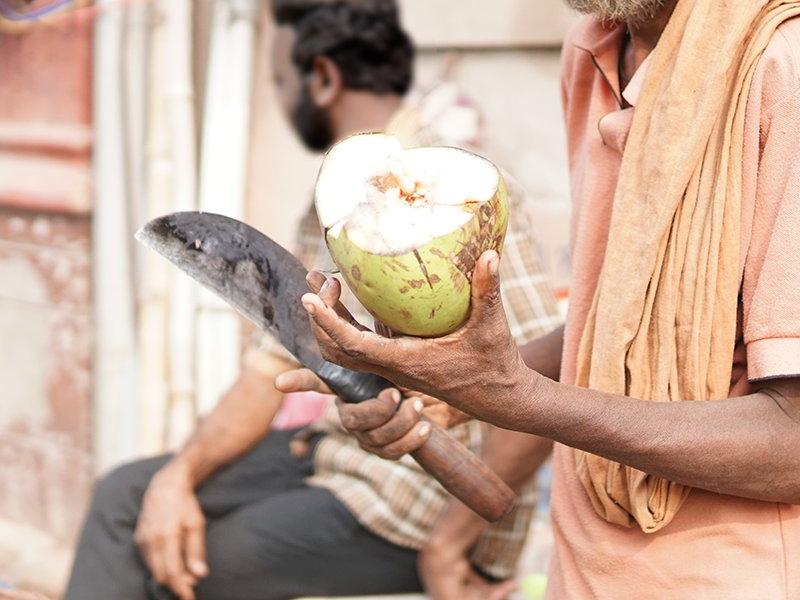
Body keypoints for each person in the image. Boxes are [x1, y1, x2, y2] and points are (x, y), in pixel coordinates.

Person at [289, 0, 800, 597]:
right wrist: (437, 385)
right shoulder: (592, 48)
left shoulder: (783, 66)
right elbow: (612, 326)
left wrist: (519, 397)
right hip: (581, 566)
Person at [63, 2, 562, 599]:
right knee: (125, 494)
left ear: (321, 77)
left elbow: (535, 382)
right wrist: (178, 476)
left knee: (188, 569)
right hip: (335, 454)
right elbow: (268, 368)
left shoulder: (459, 196)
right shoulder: (333, 203)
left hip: (424, 500)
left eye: (281, 80)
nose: (282, 98)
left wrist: (448, 545)